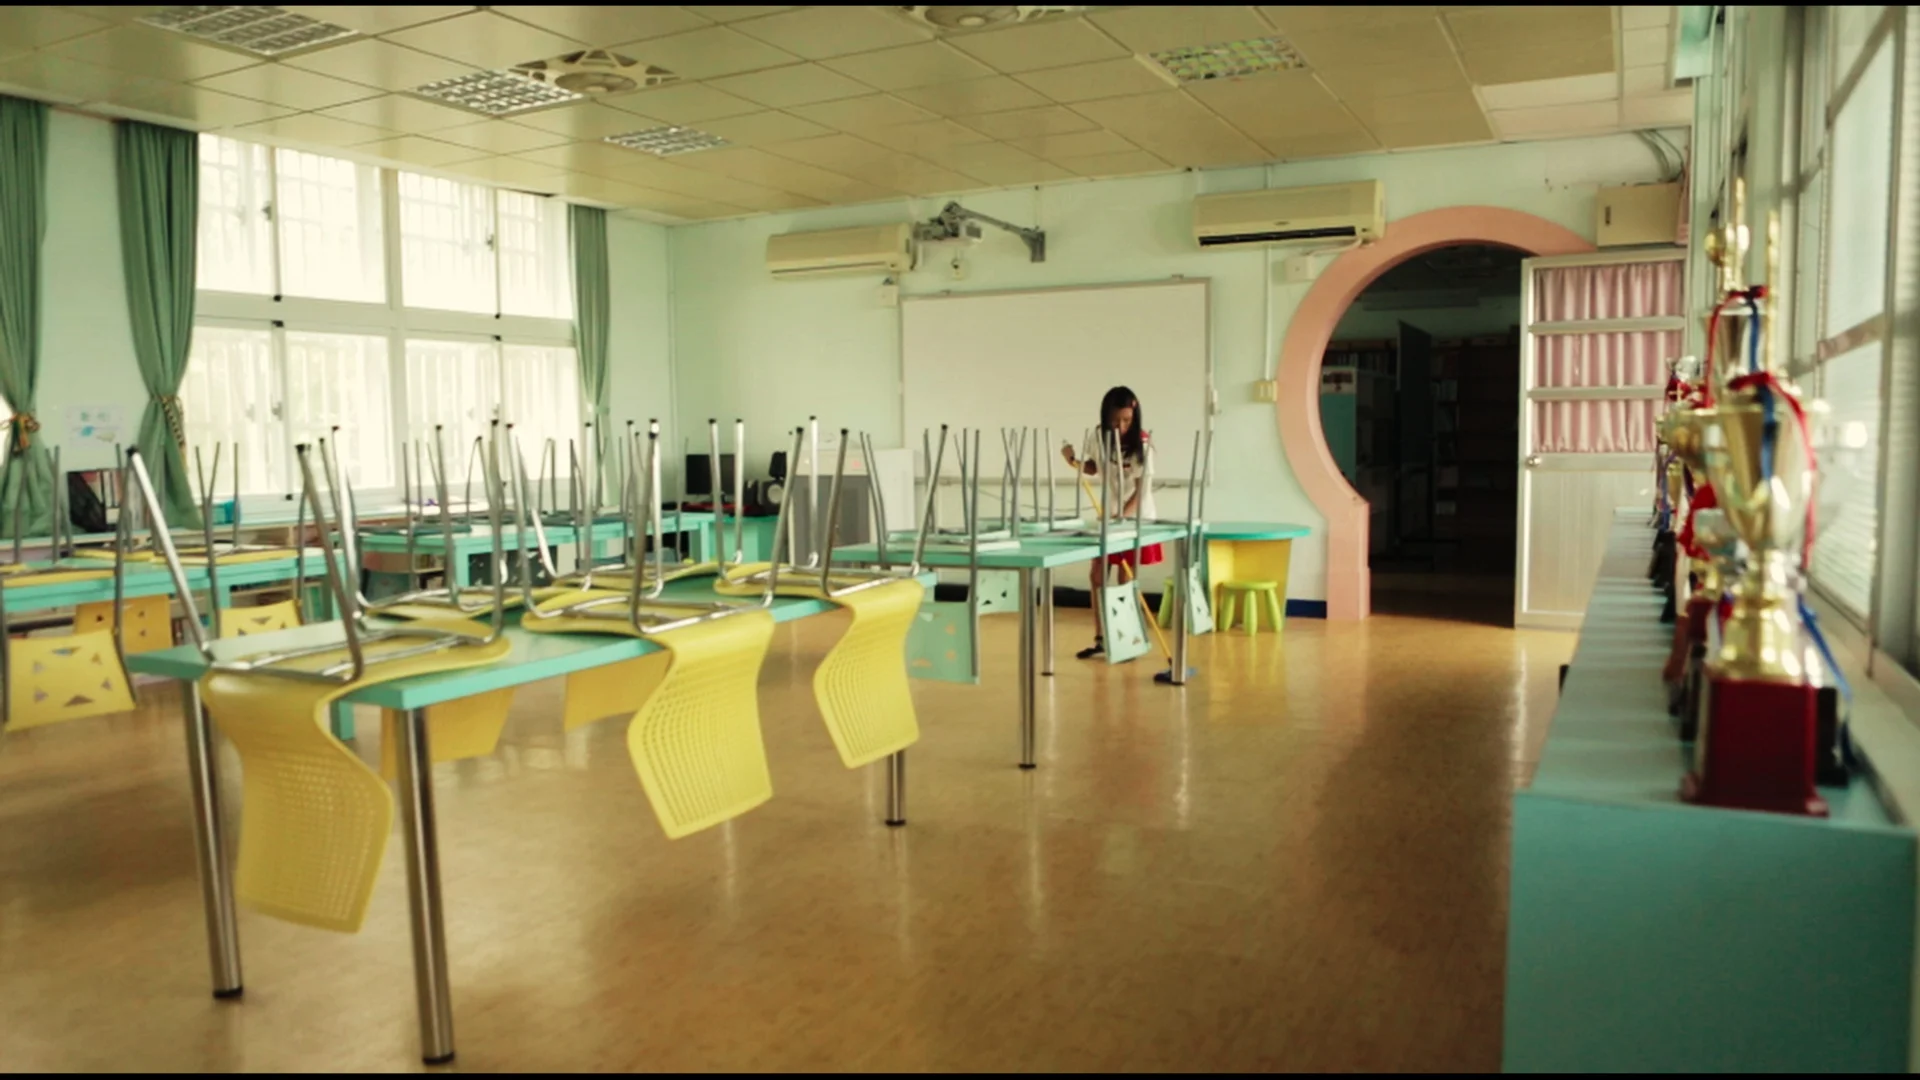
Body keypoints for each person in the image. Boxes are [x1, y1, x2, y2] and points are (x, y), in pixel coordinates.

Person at [1060, 385, 1161, 660]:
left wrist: (1121, 517)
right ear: (1105, 416)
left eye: (1126, 420)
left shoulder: (1142, 444)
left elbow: (1141, 491)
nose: (1120, 426)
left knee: (1124, 578)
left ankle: (1127, 637)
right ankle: (1101, 638)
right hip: (1109, 517)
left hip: (1135, 518)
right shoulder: (1098, 435)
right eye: (1115, 420)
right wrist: (1073, 460)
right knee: (1096, 575)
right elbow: (1095, 467)